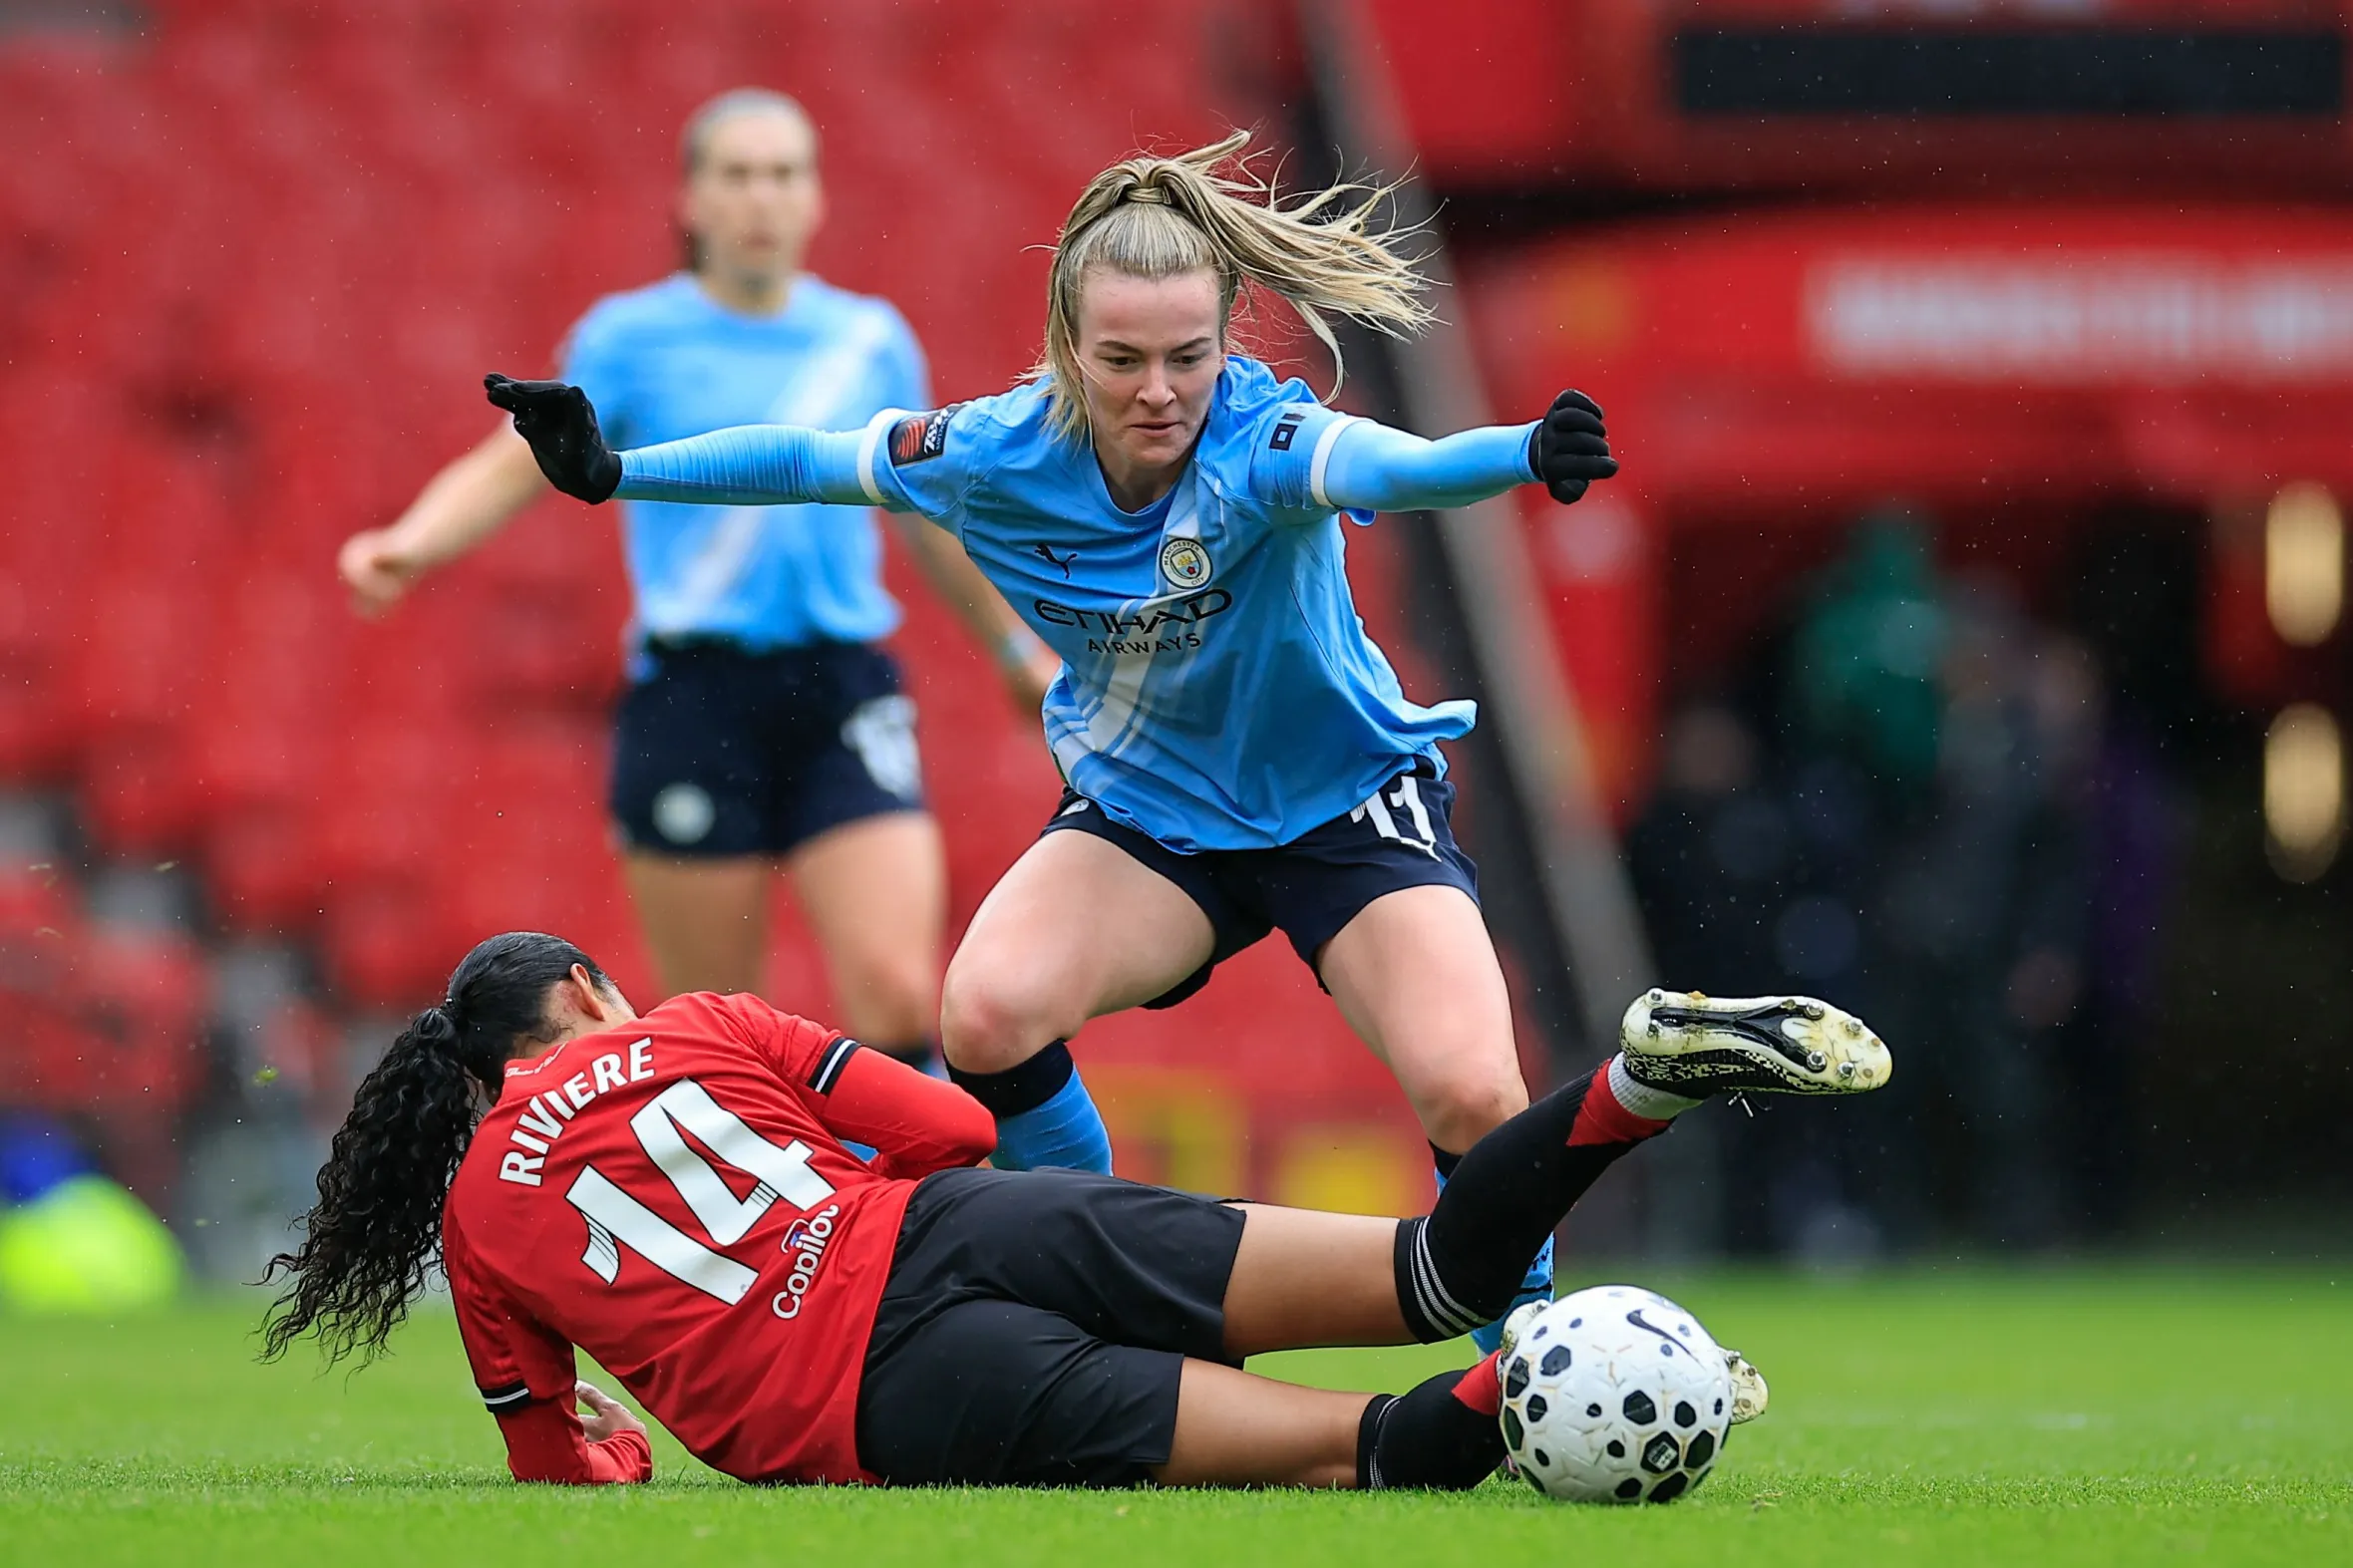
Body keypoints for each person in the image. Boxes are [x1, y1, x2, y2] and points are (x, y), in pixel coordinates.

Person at [479, 130, 1623, 1348]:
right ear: (1065, 351)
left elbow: (1396, 467)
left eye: (1188, 357)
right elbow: (810, 460)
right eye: (1121, 359)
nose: (1157, 392)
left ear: (1227, 341)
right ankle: (1119, 1276)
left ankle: (1530, 1336)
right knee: (985, 1014)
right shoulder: (992, 451)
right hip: (1148, 812)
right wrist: (612, 473)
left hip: (1340, 803)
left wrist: (1515, 454)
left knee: (1469, 1089)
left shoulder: (1264, 444)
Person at [259, 931, 1890, 1488]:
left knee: (1367, 1448)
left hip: (875, 1399)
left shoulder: (476, 1216)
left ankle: (1572, 1396)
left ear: (473, 1082)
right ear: (589, 990)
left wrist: (620, 1435)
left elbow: (554, 1457)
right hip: (965, 1232)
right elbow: (962, 1120)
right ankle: (1643, 1088)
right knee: (1436, 1267)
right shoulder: (700, 1021)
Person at [336, 89, 1056, 1074]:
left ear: (814, 199)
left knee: (895, 987)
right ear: (691, 202)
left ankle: (916, 1207)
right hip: (693, 698)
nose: (762, 197)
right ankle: (761, 1220)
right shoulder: (630, 338)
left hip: (838, 683)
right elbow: (519, 460)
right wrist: (410, 543)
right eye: (737, 174)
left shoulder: (868, 339)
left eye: (783, 173)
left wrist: (1013, 645)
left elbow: (927, 512)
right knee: (718, 1023)